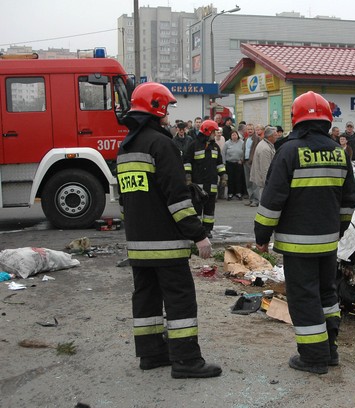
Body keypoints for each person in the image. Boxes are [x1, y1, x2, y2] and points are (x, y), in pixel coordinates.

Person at [116, 82, 221, 379]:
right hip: (166, 243)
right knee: (180, 298)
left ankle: (151, 354)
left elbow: (126, 200)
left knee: (146, 297)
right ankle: (187, 361)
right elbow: (177, 198)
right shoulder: (162, 144)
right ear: (157, 108)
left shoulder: (127, 146)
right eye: (166, 108)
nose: (168, 115)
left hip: (138, 243)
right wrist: (198, 234)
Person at [254, 91, 355, 375]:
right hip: (327, 243)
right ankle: (329, 350)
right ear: (326, 120)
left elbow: (272, 200)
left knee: (304, 298)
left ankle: (313, 358)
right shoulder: (339, 152)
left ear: (296, 120)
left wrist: (262, 235)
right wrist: (337, 231)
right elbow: (349, 200)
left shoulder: (288, 151)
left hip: (298, 245)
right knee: (327, 294)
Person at [183, 119, 227, 238]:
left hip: (211, 185)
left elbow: (220, 164)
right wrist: (188, 177)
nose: (215, 134)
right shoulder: (194, 145)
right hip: (197, 185)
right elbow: (187, 162)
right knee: (196, 210)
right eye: (213, 132)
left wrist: (223, 176)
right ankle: (197, 231)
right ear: (207, 132)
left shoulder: (215, 147)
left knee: (209, 211)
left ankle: (207, 230)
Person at [250, 126, 279, 206]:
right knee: (264, 204)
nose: (277, 137)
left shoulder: (267, 144)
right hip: (264, 183)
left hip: (264, 182)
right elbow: (265, 169)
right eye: (275, 135)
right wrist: (269, 184)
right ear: (270, 137)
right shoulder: (265, 149)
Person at [242, 123, 261, 207]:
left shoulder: (257, 139)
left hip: (253, 162)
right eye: (248, 129)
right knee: (248, 182)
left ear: (254, 130)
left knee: (254, 182)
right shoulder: (246, 139)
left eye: (251, 129)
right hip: (245, 162)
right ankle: (251, 199)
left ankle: (256, 200)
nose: (250, 131)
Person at [223, 129, 244, 200]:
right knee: (230, 179)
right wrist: (224, 163)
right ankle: (230, 193)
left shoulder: (242, 142)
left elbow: (244, 152)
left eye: (235, 135)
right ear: (230, 136)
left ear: (237, 135)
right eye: (232, 135)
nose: (234, 136)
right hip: (229, 163)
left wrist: (241, 159)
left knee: (238, 179)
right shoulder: (227, 143)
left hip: (238, 163)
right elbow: (223, 153)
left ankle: (238, 193)